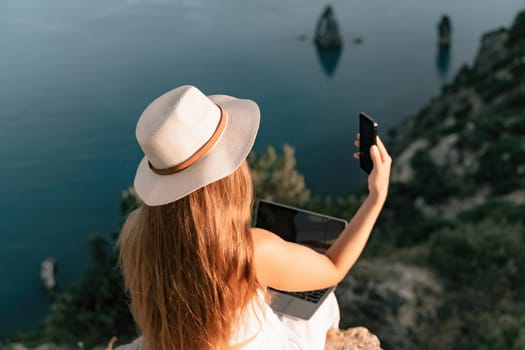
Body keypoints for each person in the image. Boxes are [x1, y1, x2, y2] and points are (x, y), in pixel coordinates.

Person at [117, 85, 391, 350]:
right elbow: (334, 266)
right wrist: (376, 196)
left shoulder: (135, 235)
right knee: (323, 305)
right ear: (226, 176)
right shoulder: (249, 251)